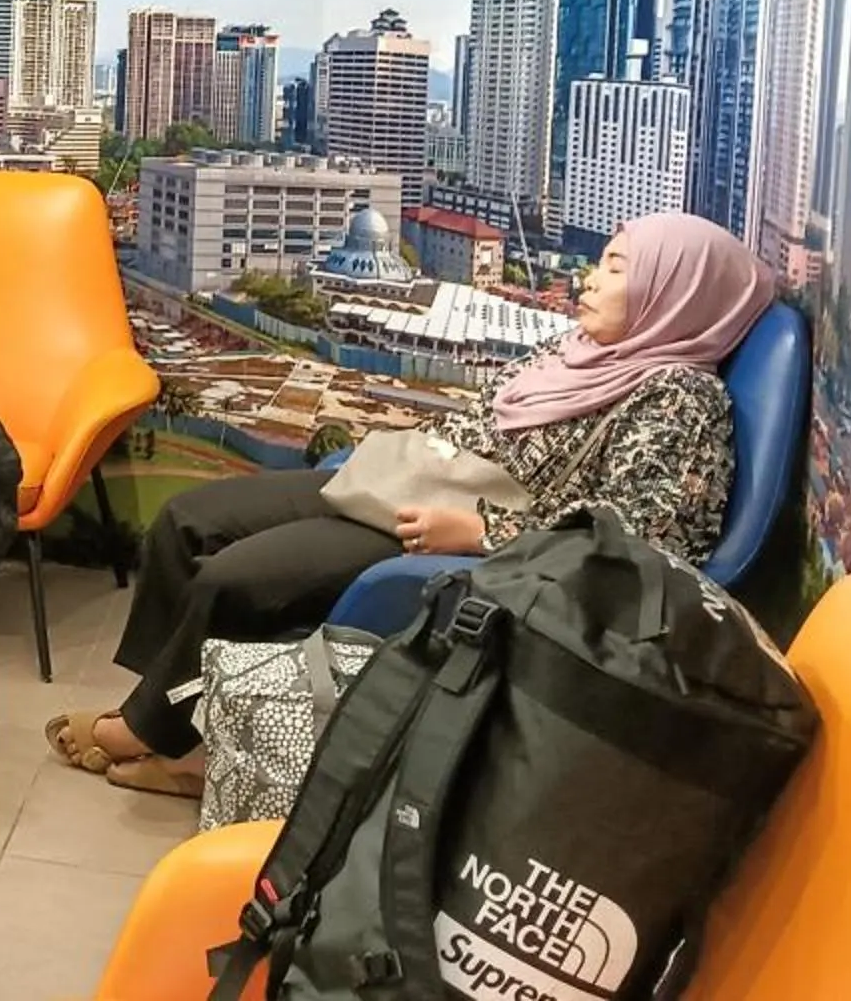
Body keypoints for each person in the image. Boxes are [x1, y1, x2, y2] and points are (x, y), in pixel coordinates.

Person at [42, 212, 771, 797]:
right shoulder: (581, 352)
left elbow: (643, 538)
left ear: (677, 293)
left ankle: (155, 735)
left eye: (617, 269)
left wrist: (484, 534)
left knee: (238, 578)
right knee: (187, 521)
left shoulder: (677, 395)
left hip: (455, 531)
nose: (590, 279)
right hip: (416, 484)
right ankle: (187, 723)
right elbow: (483, 421)